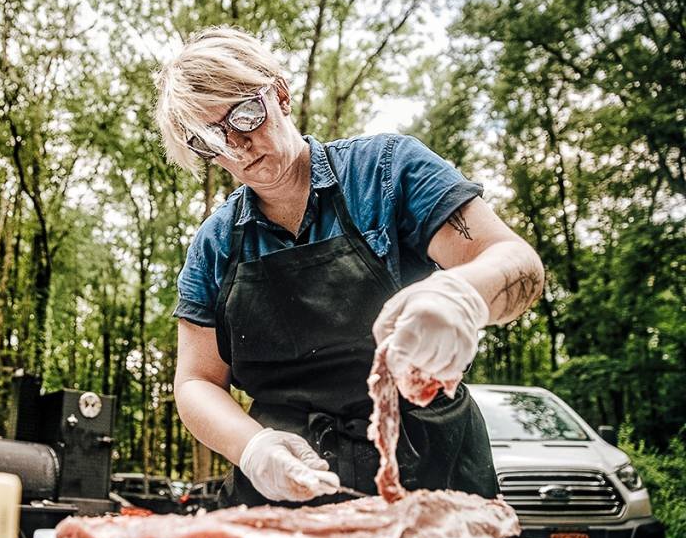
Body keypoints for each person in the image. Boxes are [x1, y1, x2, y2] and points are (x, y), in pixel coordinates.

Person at [155, 27, 545, 507]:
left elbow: (518, 263)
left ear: (279, 94)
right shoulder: (215, 244)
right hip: (286, 492)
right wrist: (251, 446)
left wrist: (461, 296)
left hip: (432, 480)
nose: (237, 147)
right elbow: (195, 381)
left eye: (245, 116)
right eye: (212, 138)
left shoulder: (386, 170)